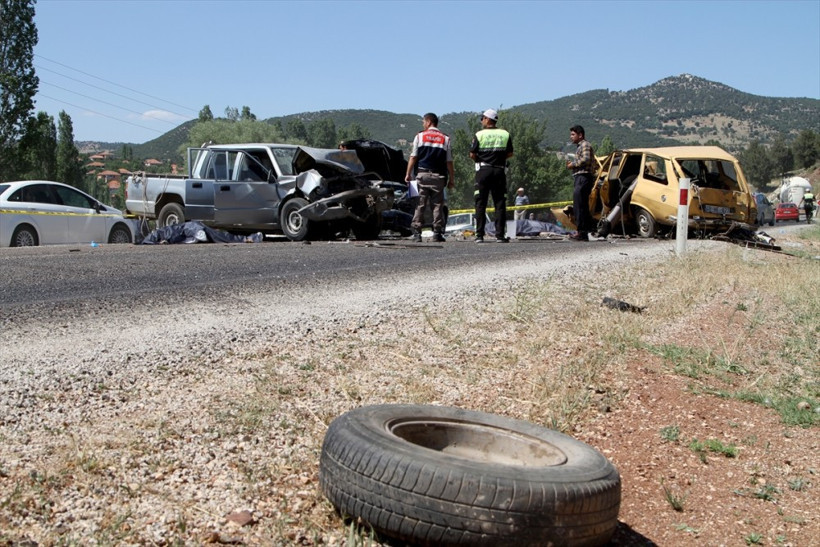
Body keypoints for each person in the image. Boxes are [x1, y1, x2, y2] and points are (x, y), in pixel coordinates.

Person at [405, 113, 454, 242]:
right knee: (437, 205)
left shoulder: (420, 136)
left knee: (420, 204)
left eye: (423, 122)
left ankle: (417, 234)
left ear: (428, 122)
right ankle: (437, 233)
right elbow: (449, 161)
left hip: (422, 175)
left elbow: (413, 157)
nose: (423, 124)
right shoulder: (445, 139)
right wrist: (451, 179)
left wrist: (408, 174)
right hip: (439, 177)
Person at [470, 109, 513, 243]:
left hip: (483, 171)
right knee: (500, 203)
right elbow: (510, 153)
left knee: (480, 203)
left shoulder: (479, 134)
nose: (481, 120)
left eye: (482, 118)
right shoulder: (505, 134)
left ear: (488, 119)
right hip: (499, 171)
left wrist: (481, 160)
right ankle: (500, 235)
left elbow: (472, 154)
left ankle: (479, 235)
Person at [565, 125, 596, 241]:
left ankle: (582, 232)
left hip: (584, 177)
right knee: (581, 204)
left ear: (580, 135)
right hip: (580, 177)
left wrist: (573, 164)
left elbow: (586, 159)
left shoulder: (585, 145)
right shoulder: (580, 147)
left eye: (573, 134)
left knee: (580, 205)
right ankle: (586, 230)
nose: (571, 137)